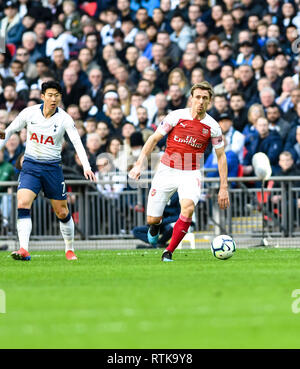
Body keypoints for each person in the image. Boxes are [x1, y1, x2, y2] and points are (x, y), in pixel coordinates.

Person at [129, 81, 229, 262]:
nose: (200, 101)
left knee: (188, 208)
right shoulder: (176, 116)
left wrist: (224, 187)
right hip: (167, 170)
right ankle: (155, 227)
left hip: (191, 172)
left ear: (209, 102)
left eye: (204, 98)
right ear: (191, 99)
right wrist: (138, 164)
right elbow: (153, 139)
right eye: (197, 97)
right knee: (152, 219)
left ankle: (169, 251)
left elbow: (221, 157)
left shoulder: (213, 127)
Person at [0, 81, 96, 262]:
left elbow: (77, 142)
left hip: (52, 168)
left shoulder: (65, 119)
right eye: (50, 95)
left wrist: (86, 166)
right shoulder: (29, 113)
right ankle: (24, 249)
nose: (53, 99)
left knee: (61, 211)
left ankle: (69, 249)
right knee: (22, 202)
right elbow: (9, 130)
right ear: (43, 96)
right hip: (30, 166)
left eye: (57, 96)